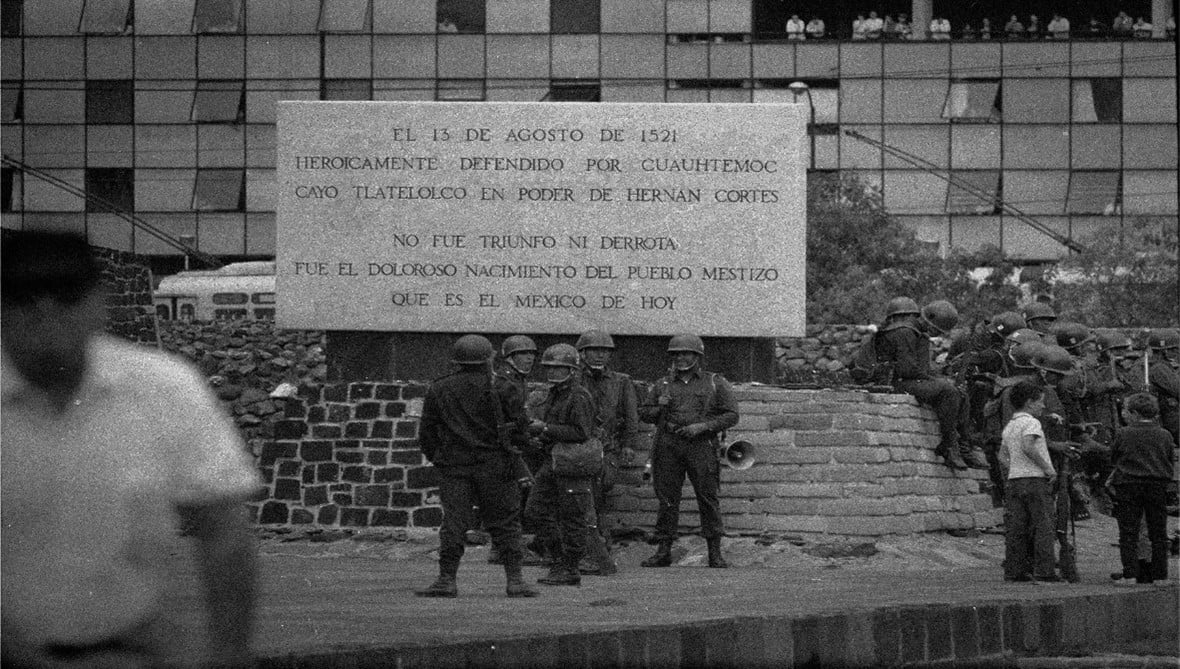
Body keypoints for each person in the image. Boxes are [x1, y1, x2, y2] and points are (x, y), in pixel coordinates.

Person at [1, 230, 261, 667]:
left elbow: (224, 529)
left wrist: (230, 653)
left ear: (99, 303)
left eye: (67, 294)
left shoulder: (162, 388)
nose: (45, 311)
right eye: (23, 295)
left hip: (132, 651)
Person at [415, 334, 539, 599]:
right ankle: (514, 580)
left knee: (454, 523)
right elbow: (521, 431)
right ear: (487, 358)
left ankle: (446, 579)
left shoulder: (439, 388)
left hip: (454, 466)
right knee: (506, 523)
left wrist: (439, 457)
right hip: (495, 465)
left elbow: (426, 433)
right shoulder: (504, 386)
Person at [639, 334, 739, 569]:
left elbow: (731, 415)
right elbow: (644, 412)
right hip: (668, 444)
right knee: (667, 499)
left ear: (697, 356)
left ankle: (714, 553)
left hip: (701, 445)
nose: (681, 358)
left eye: (686, 353)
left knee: (707, 497)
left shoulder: (715, 382)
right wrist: (658, 407)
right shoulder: (662, 384)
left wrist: (703, 427)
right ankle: (664, 551)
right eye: (676, 354)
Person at [875, 298, 986, 470]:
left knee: (959, 392)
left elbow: (922, 369)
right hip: (895, 382)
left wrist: (941, 374)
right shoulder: (906, 332)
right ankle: (949, 446)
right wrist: (937, 380)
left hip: (908, 380)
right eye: (935, 329)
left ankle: (964, 447)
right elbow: (906, 369)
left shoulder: (918, 334)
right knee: (948, 391)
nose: (935, 332)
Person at [523, 343, 599, 586]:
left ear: (572, 370)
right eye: (549, 368)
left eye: (558, 368)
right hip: (554, 460)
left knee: (573, 516)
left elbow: (581, 431)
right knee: (534, 511)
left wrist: (545, 428)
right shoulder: (555, 394)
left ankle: (570, 567)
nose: (552, 373)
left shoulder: (579, 396)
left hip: (572, 463)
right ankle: (558, 560)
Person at [574, 329, 639, 576]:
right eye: (594, 351)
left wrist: (629, 445)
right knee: (581, 500)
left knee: (599, 497)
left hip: (607, 449)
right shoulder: (574, 378)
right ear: (582, 353)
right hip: (579, 447)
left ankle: (599, 552)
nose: (600, 356)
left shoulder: (621, 382)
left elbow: (631, 417)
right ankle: (585, 552)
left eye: (605, 351)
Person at [1106, 393, 1174, 585]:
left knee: (1128, 532)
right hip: (1157, 485)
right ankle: (1160, 575)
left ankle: (1130, 574)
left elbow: (1114, 456)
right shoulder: (1164, 434)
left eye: (1126, 411)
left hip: (1128, 484)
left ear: (1134, 413)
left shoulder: (1123, 433)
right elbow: (1169, 458)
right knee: (1158, 532)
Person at [999, 381, 1060, 582]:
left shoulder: (1010, 425)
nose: (1042, 406)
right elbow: (1028, 445)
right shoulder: (1032, 423)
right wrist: (1047, 468)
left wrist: (1014, 468)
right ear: (1029, 403)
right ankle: (1044, 571)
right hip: (1035, 479)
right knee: (1043, 526)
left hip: (1015, 480)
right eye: (1039, 402)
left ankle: (1015, 571)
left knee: (1017, 528)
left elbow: (1002, 456)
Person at [1144, 329, 1179, 446]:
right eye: (1173, 349)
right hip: (1170, 417)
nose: (1176, 352)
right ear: (1163, 351)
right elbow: (1177, 389)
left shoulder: (1164, 366)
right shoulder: (1159, 368)